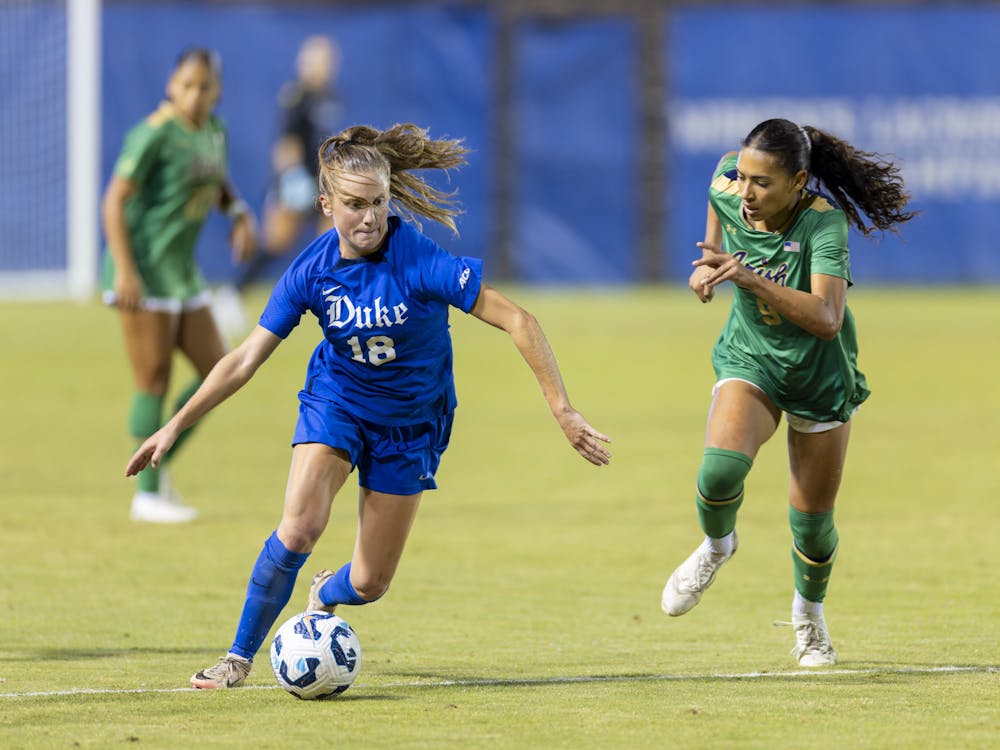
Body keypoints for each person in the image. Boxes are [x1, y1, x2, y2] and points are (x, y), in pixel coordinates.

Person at [125, 123, 612, 689]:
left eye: (378, 203)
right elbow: (244, 359)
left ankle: (323, 594)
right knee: (300, 525)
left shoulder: (419, 260)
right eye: (354, 204)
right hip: (338, 403)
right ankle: (236, 657)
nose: (369, 218)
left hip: (410, 425)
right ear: (326, 203)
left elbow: (517, 319)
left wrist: (562, 408)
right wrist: (173, 426)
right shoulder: (311, 270)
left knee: (371, 583)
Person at [659, 118, 914, 666]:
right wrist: (703, 275)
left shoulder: (824, 224)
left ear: (799, 181)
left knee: (813, 525)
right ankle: (717, 546)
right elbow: (713, 252)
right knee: (719, 472)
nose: (747, 193)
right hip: (751, 357)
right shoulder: (726, 183)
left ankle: (809, 620)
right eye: (744, 177)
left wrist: (749, 278)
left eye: (763, 183)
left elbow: (826, 317)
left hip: (820, 374)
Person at [101, 47, 257, 523]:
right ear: (172, 85)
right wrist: (126, 270)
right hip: (144, 270)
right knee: (153, 379)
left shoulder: (214, 131)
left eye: (204, 86)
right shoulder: (153, 134)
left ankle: (158, 463)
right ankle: (147, 493)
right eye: (186, 85)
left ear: (217, 91)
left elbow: (217, 180)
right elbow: (114, 201)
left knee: (219, 369)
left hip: (181, 271)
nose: (194, 94)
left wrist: (237, 212)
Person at [212, 35, 343, 335]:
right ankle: (231, 294)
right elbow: (286, 143)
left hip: (325, 184)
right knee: (276, 243)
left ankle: (337, 304)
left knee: (337, 242)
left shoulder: (332, 97)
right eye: (317, 60)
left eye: (328, 60)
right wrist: (292, 177)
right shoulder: (297, 97)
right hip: (297, 184)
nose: (323, 67)